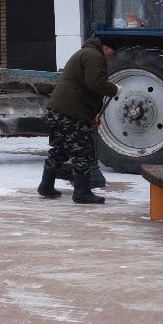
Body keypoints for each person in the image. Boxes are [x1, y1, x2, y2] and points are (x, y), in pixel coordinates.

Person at [40, 36, 118, 203]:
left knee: (59, 148)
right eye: (113, 51)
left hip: (57, 108)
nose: (112, 56)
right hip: (72, 111)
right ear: (106, 48)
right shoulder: (94, 56)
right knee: (82, 151)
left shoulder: (84, 53)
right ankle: (82, 193)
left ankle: (46, 186)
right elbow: (95, 84)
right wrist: (114, 89)